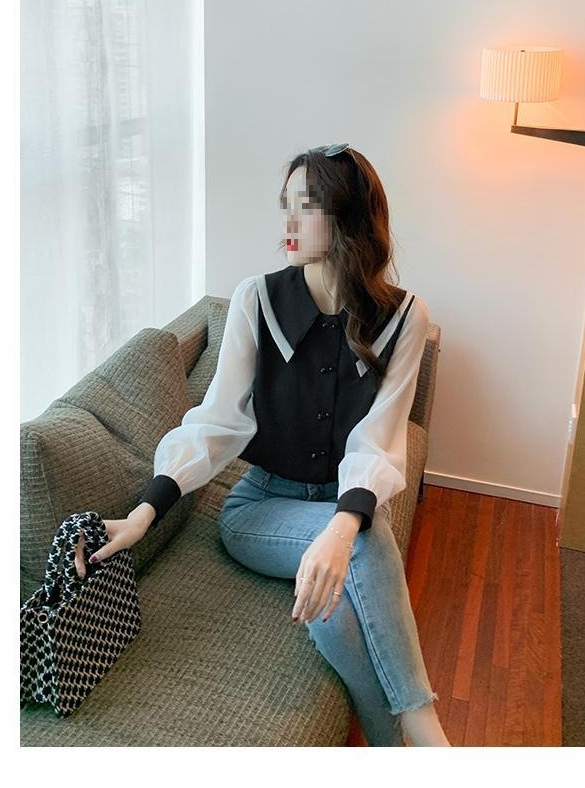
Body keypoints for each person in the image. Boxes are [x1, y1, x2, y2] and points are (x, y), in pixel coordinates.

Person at [75, 144, 451, 747]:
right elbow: (217, 422)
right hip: (260, 509)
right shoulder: (257, 299)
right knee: (364, 539)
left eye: (308, 205)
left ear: (349, 215)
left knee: (332, 604)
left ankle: (391, 746)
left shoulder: (406, 318)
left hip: (341, 505)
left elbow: (379, 438)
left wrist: (338, 527)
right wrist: (144, 513)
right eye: (286, 205)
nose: (288, 222)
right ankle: (423, 725)